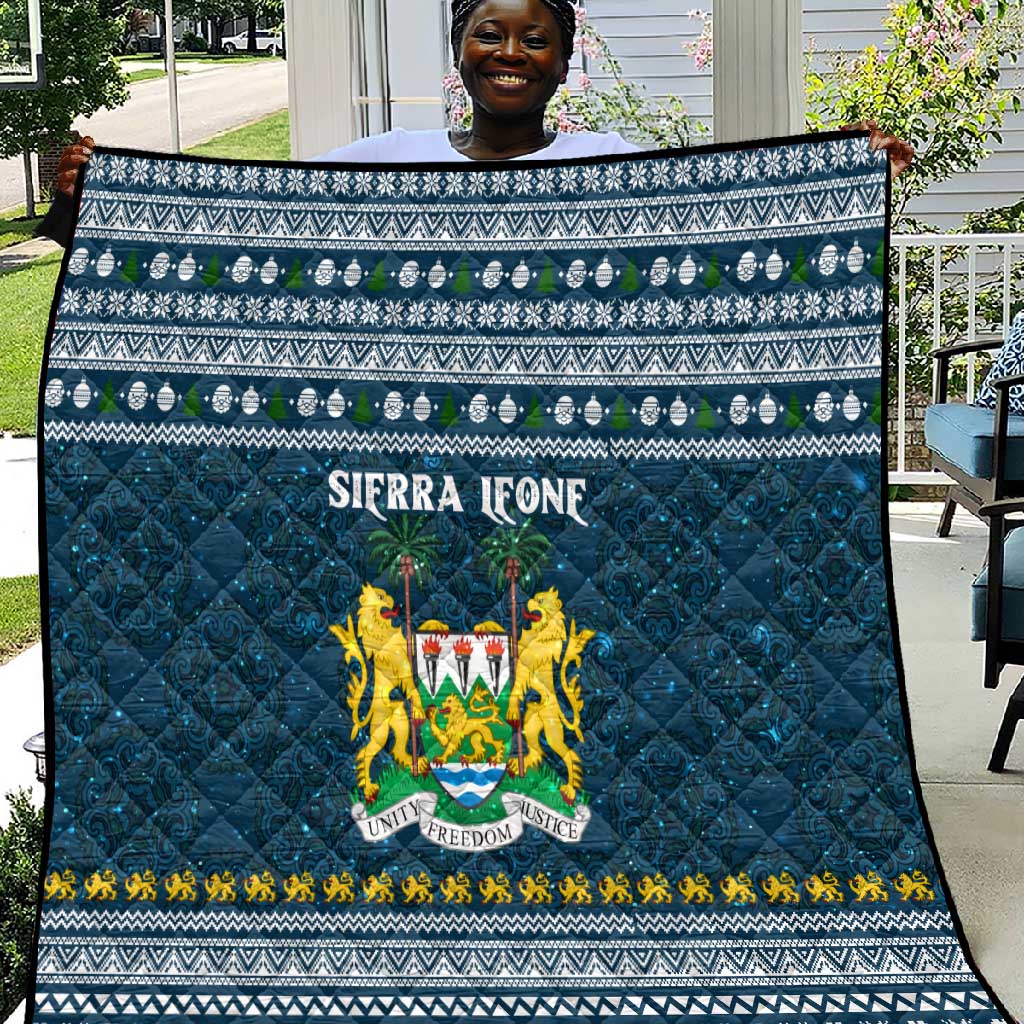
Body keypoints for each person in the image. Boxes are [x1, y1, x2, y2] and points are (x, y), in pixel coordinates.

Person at [38, 0, 913, 248]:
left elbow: (729, 236)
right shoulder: (386, 159)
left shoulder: (610, 163)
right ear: (459, 51)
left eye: (537, 39)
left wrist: (848, 175)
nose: (511, 51)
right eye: (488, 33)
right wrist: (103, 196)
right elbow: (251, 224)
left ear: (563, 63)